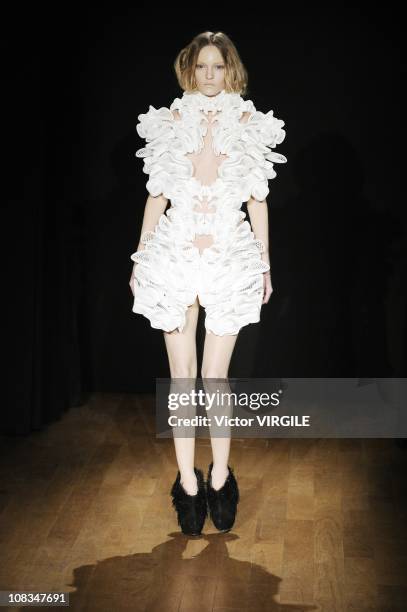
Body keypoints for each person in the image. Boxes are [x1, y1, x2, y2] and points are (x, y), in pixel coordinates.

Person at [129, 31, 287, 535]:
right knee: (182, 380)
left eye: (218, 66)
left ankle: (219, 475)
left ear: (231, 69)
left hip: (227, 256)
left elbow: (257, 199)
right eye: (202, 67)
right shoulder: (171, 122)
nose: (210, 75)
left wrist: (263, 263)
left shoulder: (249, 123)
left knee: (215, 380)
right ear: (190, 71)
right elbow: (157, 194)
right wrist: (141, 255)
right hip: (175, 255)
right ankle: (188, 485)